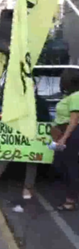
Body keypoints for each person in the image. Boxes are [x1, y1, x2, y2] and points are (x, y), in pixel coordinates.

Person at [0, 84, 51, 200]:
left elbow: (45, 121)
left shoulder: (41, 102)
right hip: (15, 135)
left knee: (32, 160)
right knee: (5, 155)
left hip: (33, 136)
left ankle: (28, 187)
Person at [50, 69, 79, 211]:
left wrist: (64, 138)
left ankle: (71, 200)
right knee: (59, 164)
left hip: (71, 133)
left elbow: (74, 121)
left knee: (69, 166)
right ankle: (72, 196)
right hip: (63, 131)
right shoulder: (70, 96)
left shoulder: (76, 96)